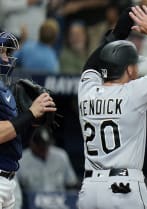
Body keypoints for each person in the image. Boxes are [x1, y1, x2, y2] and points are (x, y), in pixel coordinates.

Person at [77, 5, 147, 209]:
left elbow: (90, 66)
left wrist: (117, 34)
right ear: (129, 69)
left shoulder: (87, 91)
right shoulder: (134, 92)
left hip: (89, 189)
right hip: (123, 188)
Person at [0, 31, 56, 209]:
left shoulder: (5, 89)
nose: (7, 59)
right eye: (2, 53)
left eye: (7, 53)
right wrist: (30, 113)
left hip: (9, 178)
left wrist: (32, 120)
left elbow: (13, 138)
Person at [17, 126, 78, 192]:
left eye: (46, 145)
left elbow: (71, 184)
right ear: (32, 144)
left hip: (59, 200)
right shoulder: (21, 160)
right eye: (41, 146)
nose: (44, 149)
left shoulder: (61, 155)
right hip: (32, 201)